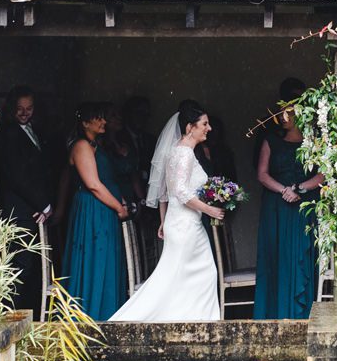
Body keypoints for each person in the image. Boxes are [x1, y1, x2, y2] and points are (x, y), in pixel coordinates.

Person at [112, 101, 226, 322]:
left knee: (181, 277)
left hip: (180, 223)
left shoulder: (177, 151)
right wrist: (209, 209)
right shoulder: (184, 154)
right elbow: (181, 192)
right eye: (204, 124)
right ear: (190, 127)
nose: (209, 128)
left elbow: (164, 193)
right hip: (186, 225)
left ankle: (192, 322)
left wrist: (163, 221)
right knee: (196, 276)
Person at [255, 79, 323, 319]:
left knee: (302, 259)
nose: (283, 116)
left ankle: (303, 312)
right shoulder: (271, 141)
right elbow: (262, 174)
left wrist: (299, 188)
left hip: (305, 206)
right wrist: (284, 189)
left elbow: (323, 174)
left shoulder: (314, 143)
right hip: (277, 207)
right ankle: (277, 312)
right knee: (278, 260)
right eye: (282, 112)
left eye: (288, 112)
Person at [59, 103, 129, 320]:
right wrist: (119, 207)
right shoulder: (81, 146)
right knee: (94, 261)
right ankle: (92, 315)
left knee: (105, 261)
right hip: (93, 211)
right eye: (98, 118)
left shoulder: (95, 145)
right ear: (85, 123)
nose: (104, 122)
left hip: (103, 210)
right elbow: (93, 184)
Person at [0, 87, 52, 311]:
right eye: (19, 109)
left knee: (30, 266)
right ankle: (10, 315)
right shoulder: (7, 134)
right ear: (11, 109)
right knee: (19, 265)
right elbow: (16, 176)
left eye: (29, 109)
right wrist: (44, 205)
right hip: (18, 210)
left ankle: (27, 313)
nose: (24, 113)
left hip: (32, 209)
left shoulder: (34, 131)